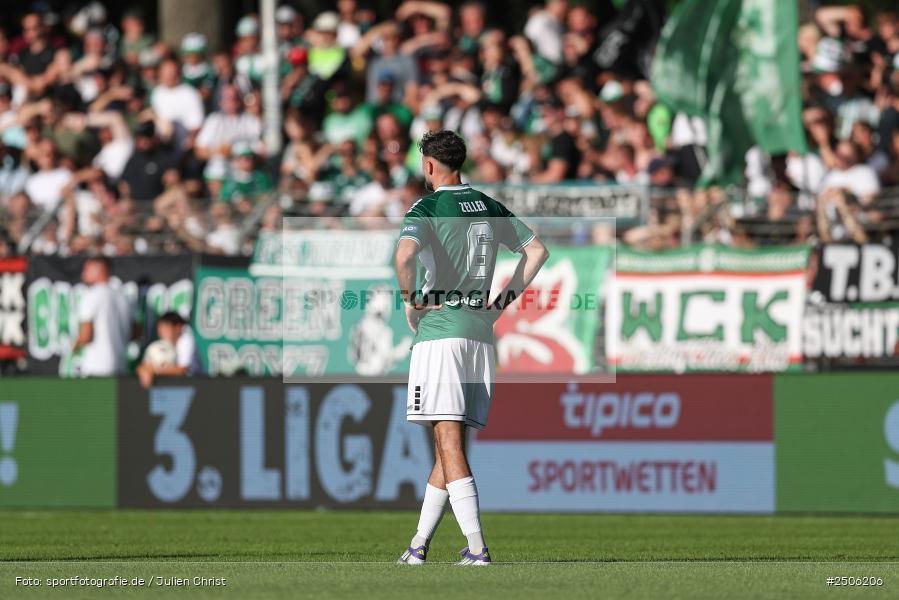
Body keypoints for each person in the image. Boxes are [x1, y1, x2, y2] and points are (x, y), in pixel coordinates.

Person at [394, 130, 549, 565]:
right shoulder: (488, 205)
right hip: (480, 334)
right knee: (451, 445)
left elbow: (404, 258)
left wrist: (410, 303)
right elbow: (536, 252)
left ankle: (478, 549)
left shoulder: (427, 207)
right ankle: (418, 546)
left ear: (429, 165)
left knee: (448, 441)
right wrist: (500, 305)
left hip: (441, 330)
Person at [72, 256, 132, 377]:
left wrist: (74, 346)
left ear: (98, 269)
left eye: (86, 269)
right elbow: (135, 332)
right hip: (120, 365)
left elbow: (86, 335)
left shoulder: (92, 294)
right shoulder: (122, 296)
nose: (83, 273)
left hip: (97, 368)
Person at [137, 311, 195, 389]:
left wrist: (154, 371)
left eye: (165, 327)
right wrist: (143, 369)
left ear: (178, 328)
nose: (161, 332)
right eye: (160, 328)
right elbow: (144, 367)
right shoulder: (157, 346)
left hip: (193, 386)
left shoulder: (186, 340)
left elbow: (182, 370)